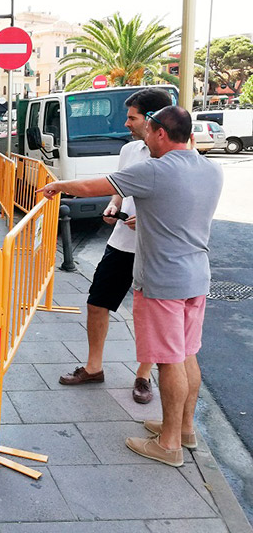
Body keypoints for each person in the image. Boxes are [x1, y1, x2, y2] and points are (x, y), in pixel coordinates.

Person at [39, 105, 223, 467]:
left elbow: (95, 185)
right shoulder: (211, 169)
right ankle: (184, 430)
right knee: (187, 355)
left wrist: (58, 184)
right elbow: (179, 211)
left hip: (162, 281)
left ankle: (168, 445)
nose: (145, 138)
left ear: (161, 134)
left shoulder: (156, 169)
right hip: (196, 276)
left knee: (168, 362)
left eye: (149, 131)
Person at [59, 88, 172, 405]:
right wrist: (113, 205)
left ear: (152, 120)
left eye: (131, 117)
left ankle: (143, 376)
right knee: (97, 303)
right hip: (120, 243)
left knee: (148, 316)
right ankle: (93, 367)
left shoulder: (176, 159)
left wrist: (148, 221)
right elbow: (118, 189)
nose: (126, 123)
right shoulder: (130, 152)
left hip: (154, 252)